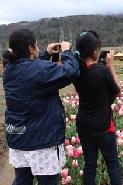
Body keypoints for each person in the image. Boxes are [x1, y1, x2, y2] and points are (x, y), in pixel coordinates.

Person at [3, 28, 80, 185]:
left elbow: (32, 69)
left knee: (22, 181)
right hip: (41, 141)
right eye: (36, 46)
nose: (38, 49)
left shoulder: (9, 69)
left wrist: (45, 53)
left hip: (18, 138)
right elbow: (71, 71)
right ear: (31, 48)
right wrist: (66, 51)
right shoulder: (39, 71)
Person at [73, 30, 122, 185]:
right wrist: (111, 65)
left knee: (90, 166)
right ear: (95, 51)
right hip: (103, 127)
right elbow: (117, 91)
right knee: (113, 165)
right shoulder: (102, 71)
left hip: (83, 125)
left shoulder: (76, 71)